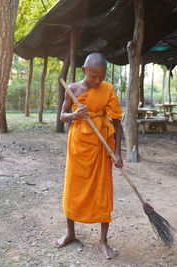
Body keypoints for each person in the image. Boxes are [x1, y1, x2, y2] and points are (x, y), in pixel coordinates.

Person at [55, 53, 123, 259]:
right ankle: (70, 232)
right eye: (93, 76)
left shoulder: (108, 90)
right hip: (78, 146)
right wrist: (75, 115)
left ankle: (103, 240)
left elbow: (117, 123)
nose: (97, 81)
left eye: (101, 77)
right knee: (73, 187)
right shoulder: (73, 89)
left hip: (102, 146)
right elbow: (62, 115)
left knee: (102, 191)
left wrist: (118, 152)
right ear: (84, 71)